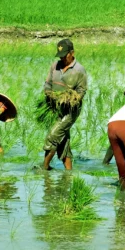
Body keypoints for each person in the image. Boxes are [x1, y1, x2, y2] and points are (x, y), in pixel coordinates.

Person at [42, 39, 88, 171]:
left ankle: (44, 168)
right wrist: (48, 93)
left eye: (65, 55)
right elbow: (47, 83)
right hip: (55, 109)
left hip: (70, 111)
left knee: (53, 136)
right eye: (60, 56)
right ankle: (68, 173)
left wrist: (71, 99)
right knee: (63, 141)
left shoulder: (79, 70)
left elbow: (81, 91)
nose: (62, 58)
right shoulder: (55, 66)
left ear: (72, 53)